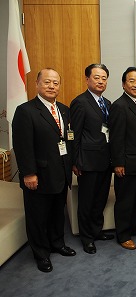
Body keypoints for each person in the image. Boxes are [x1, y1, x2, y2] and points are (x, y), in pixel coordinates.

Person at [12, 68, 76, 272]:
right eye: (47, 82)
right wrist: (29, 173)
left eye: (56, 83)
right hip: (38, 175)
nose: (52, 86)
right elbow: (22, 146)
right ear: (37, 84)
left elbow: (67, 140)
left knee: (58, 213)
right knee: (37, 217)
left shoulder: (64, 110)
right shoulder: (26, 111)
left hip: (61, 172)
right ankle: (41, 254)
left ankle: (57, 244)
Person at [70, 63, 114, 255]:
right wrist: (75, 161)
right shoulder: (80, 102)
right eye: (96, 77)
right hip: (87, 161)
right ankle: (87, 238)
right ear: (87, 79)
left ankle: (96, 231)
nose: (101, 81)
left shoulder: (108, 104)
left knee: (100, 199)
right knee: (87, 201)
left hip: (105, 160)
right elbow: (74, 134)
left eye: (104, 78)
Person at [109, 67, 136, 250]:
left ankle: (135, 227)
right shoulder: (119, 106)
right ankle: (123, 234)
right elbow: (116, 137)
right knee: (125, 200)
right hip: (127, 163)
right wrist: (118, 163)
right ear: (123, 84)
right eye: (132, 81)